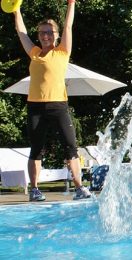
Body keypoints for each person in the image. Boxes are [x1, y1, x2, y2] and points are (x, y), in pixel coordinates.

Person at [13, 0, 91, 201]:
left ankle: (79, 188)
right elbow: (21, 32)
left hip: (58, 106)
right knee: (36, 149)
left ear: (56, 36)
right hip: (35, 107)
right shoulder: (35, 54)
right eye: (41, 33)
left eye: (49, 32)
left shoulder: (62, 51)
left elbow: (68, 26)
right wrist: (16, 10)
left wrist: (71, 3)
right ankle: (35, 190)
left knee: (70, 147)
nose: (45, 36)